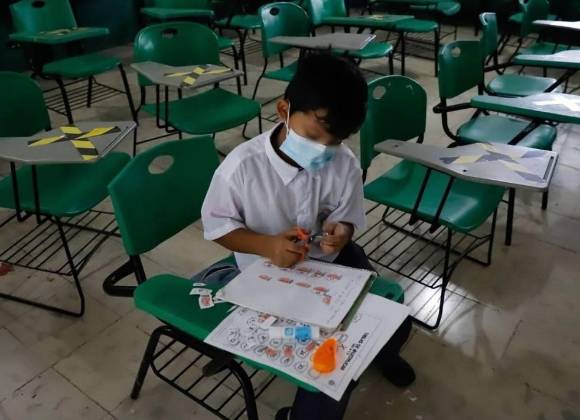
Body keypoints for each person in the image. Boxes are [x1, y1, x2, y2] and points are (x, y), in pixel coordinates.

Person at [201, 53, 414, 420]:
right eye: (314, 136)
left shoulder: (343, 162)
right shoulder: (241, 167)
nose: (322, 150)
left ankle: (384, 352)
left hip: (330, 261)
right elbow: (218, 227)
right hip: (267, 271)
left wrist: (342, 232)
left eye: (335, 141)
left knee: (393, 317)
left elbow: (347, 217)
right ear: (284, 110)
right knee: (329, 369)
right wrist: (267, 245)